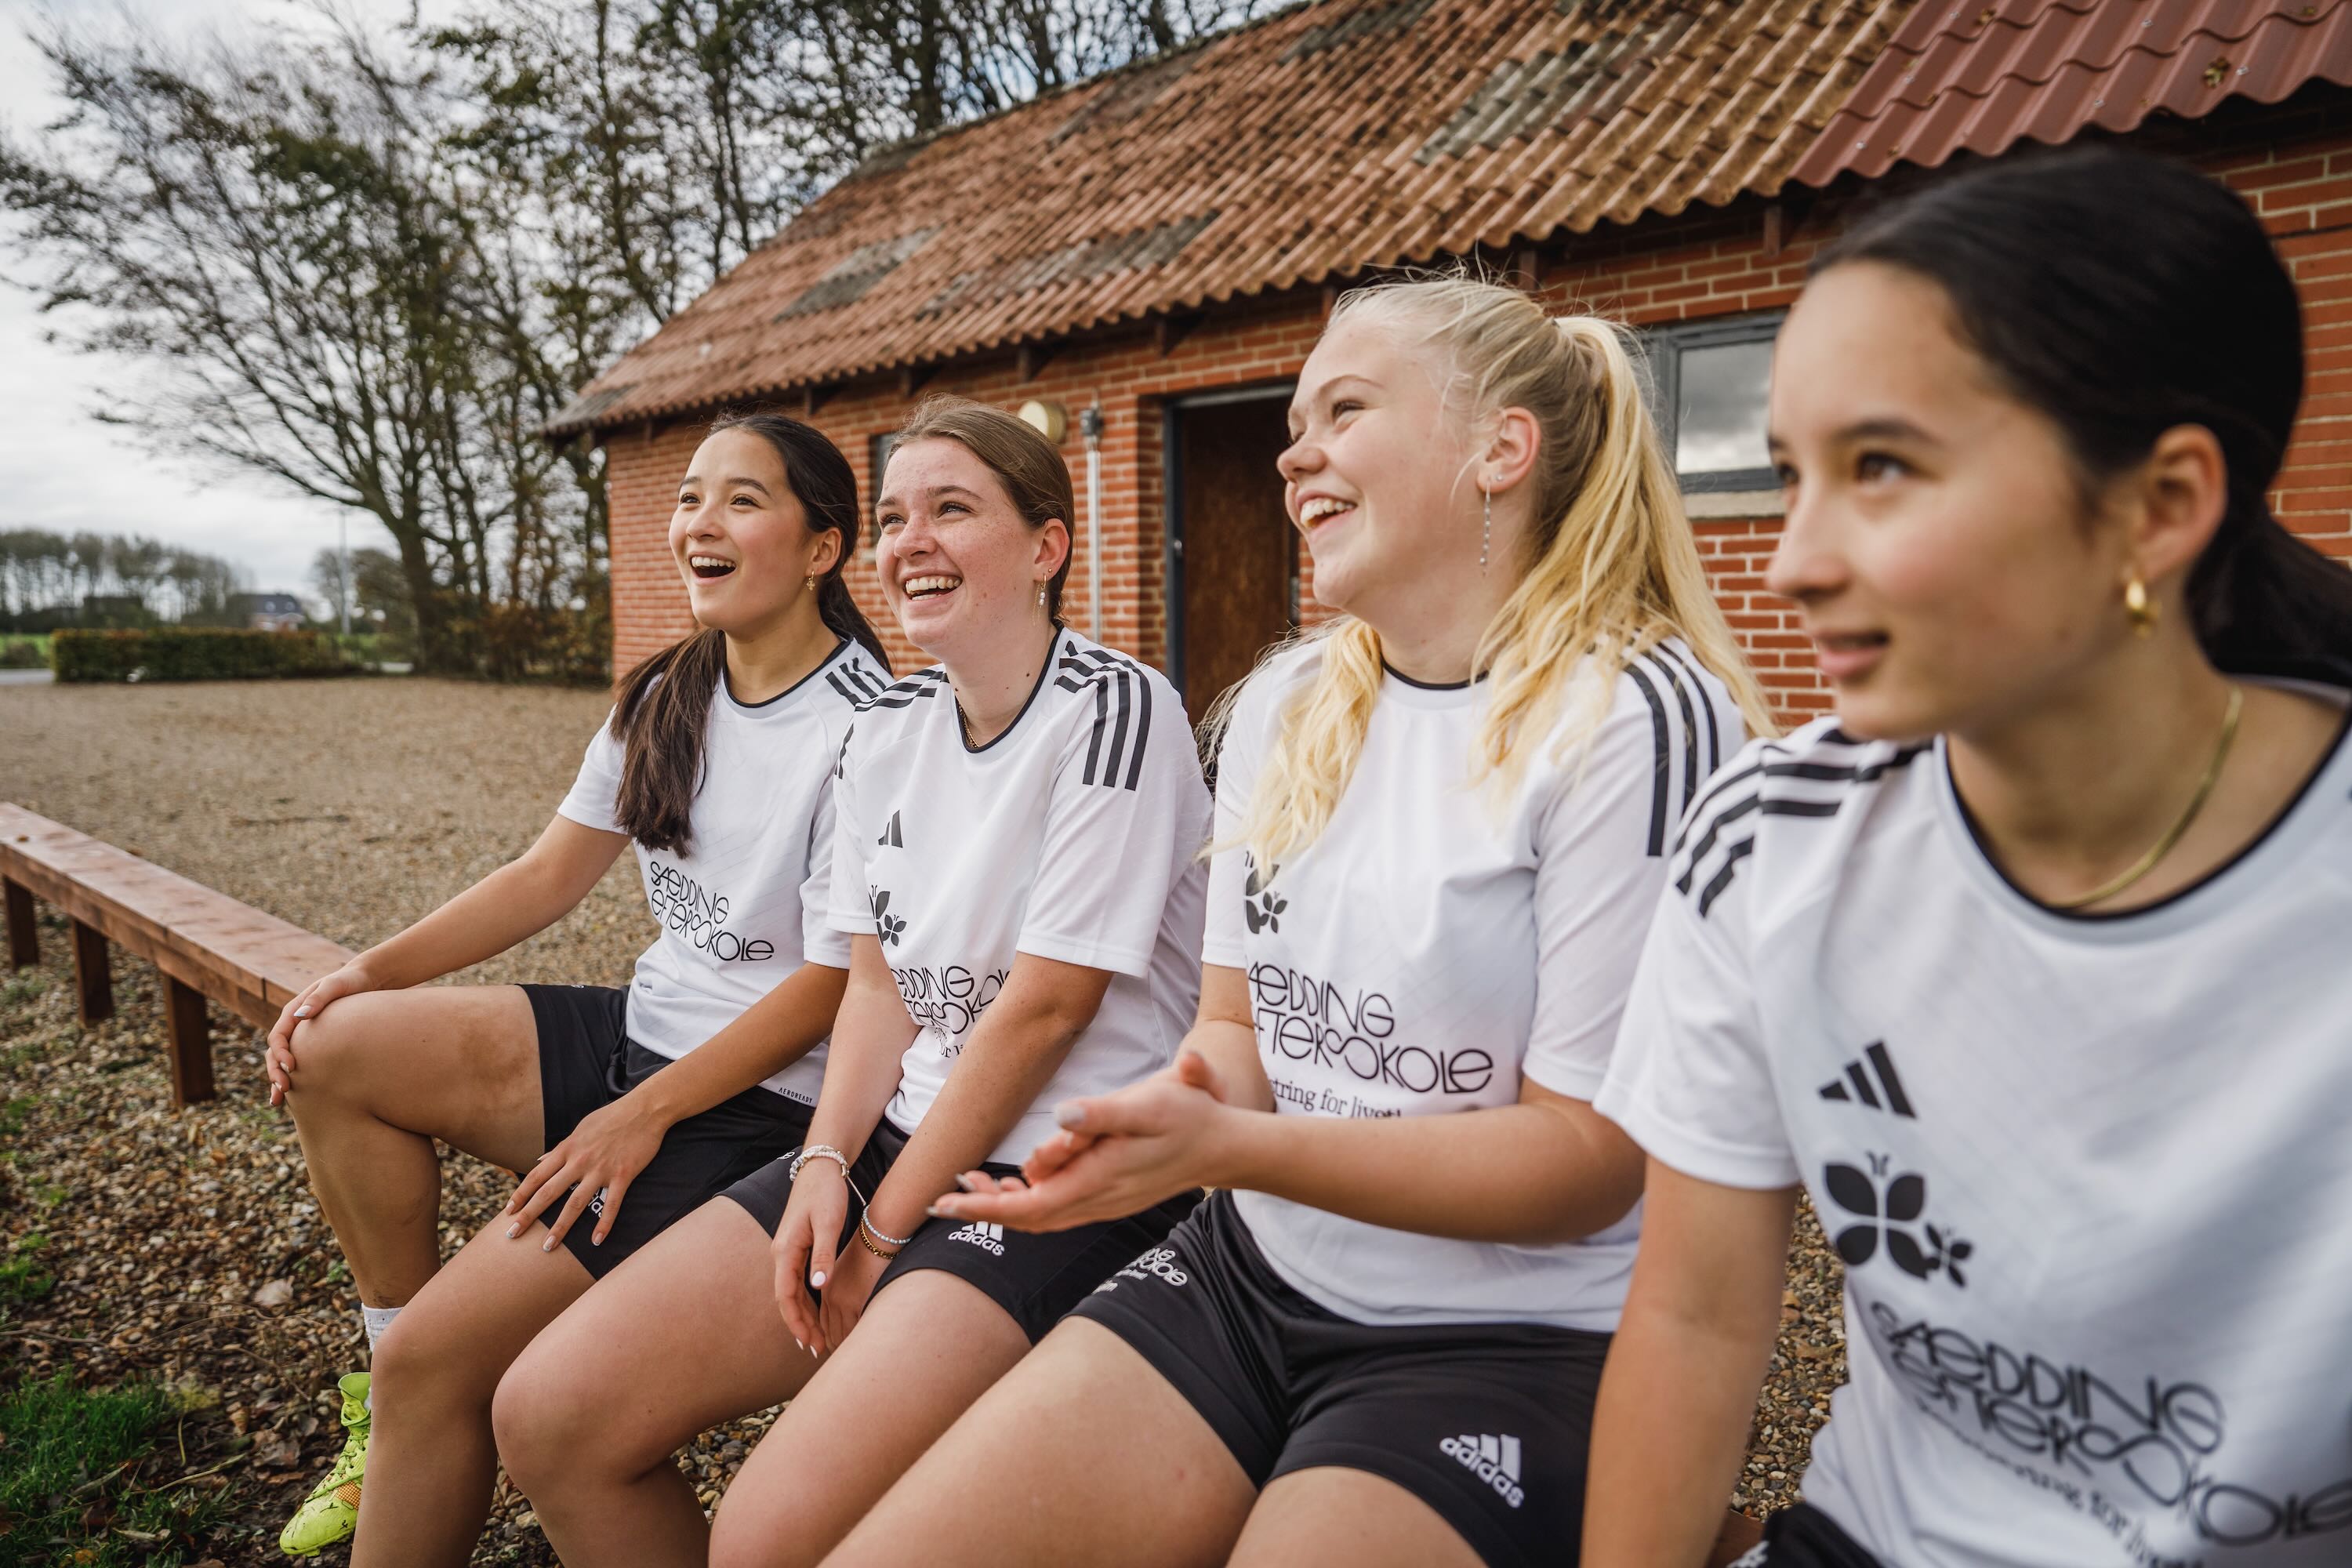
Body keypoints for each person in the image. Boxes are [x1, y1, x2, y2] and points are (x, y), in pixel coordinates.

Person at [826, 277, 1775, 1568]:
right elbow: (1231, 1029)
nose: (1292, 451)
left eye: (1343, 409)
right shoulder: (1283, 705)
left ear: (1502, 449)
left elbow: (1585, 1163)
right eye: (1294, 418)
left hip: (1501, 1338)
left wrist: (1229, 1145)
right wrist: (1173, 1115)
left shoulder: (1633, 716)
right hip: (1247, 1272)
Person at [1582, 147, 2352, 1568]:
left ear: (2161, 505)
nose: (1793, 558)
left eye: (1882, 469)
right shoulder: (1773, 840)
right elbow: (1694, 1320)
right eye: (1789, 475)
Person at [488, 397, 1211, 1568]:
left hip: (1056, 1177)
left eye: (953, 510)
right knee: (550, 1415)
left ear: (1046, 547)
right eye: (893, 518)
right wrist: (829, 1161)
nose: (910, 540)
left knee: (763, 1541)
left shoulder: (1120, 710)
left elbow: (1042, 1014)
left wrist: (874, 1235)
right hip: (897, 1144)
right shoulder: (889, 724)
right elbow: (873, 985)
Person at [266, 412, 891, 1563]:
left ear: (822, 549)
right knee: (336, 1046)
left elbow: (830, 988)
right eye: (691, 496)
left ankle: (414, 1387)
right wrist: (362, 973)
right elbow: (548, 873)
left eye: (743, 499)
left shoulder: (871, 728)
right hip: (636, 1039)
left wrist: (640, 1115)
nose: (699, 521)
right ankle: (396, 1398)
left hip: (755, 1109)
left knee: (452, 1374)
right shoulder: (665, 692)